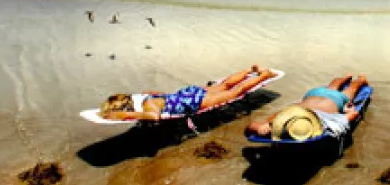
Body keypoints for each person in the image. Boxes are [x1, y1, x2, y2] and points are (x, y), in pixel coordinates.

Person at [99, 65, 276, 121]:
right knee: (224, 85)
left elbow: (154, 116)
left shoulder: (147, 105)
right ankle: (251, 70)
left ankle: (265, 75)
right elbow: (158, 94)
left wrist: (124, 115)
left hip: (194, 101)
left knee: (235, 92)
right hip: (186, 94)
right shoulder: (144, 96)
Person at [246, 74, 367, 141]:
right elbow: (354, 114)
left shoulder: (329, 123)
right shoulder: (284, 118)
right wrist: (349, 110)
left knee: (347, 88)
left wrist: (260, 128)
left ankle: (354, 79)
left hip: (324, 98)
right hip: (315, 97)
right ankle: (358, 79)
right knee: (346, 88)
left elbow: (251, 126)